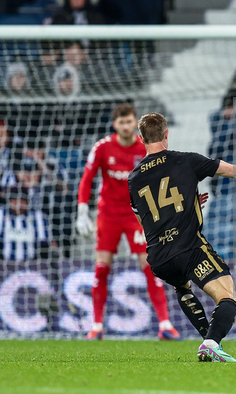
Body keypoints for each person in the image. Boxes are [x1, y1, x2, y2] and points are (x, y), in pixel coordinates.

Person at [128, 112, 236, 362]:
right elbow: (233, 171)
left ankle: (209, 342)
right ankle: (211, 342)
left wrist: (188, 203)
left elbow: (146, 220)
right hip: (189, 248)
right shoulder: (186, 160)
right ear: (166, 134)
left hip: (159, 258)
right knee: (228, 297)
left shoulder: (133, 178)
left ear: (140, 138)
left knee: (181, 286)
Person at [76, 103, 179, 341]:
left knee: (151, 267)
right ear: (115, 125)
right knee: (102, 269)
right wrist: (82, 211)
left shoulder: (145, 148)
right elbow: (86, 179)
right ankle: (97, 326)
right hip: (108, 214)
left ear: (136, 123)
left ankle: (164, 324)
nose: (125, 126)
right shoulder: (102, 147)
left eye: (129, 121)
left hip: (136, 215)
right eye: (121, 122)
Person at [0, 185, 51, 262]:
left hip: (32, 265)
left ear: (27, 202)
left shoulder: (39, 217)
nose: (18, 204)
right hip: (3, 265)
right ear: (9, 201)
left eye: (22, 200)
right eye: (15, 200)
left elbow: (43, 245)